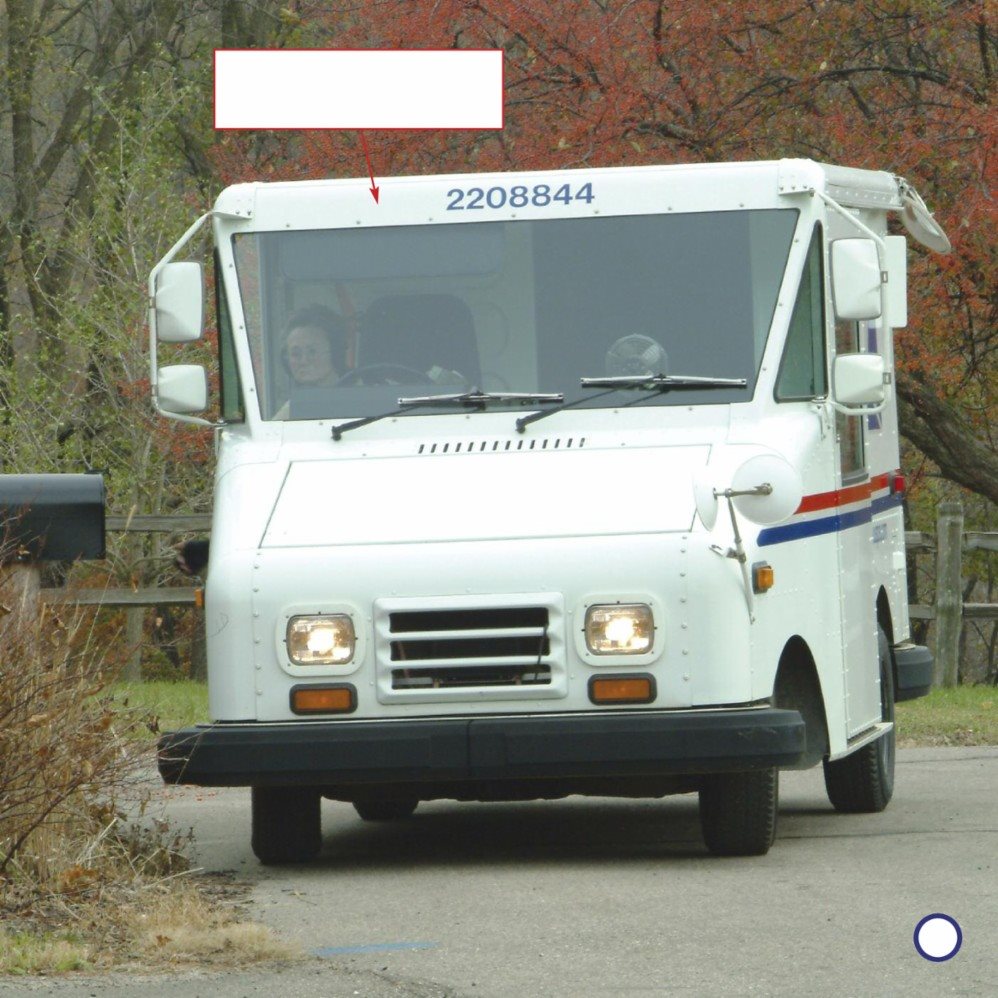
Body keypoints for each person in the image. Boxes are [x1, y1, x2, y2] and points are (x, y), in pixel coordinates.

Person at [176, 305, 348, 577]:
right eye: (295, 353)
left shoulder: (365, 402)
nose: (303, 360)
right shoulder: (288, 413)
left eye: (313, 351)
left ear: (336, 353)